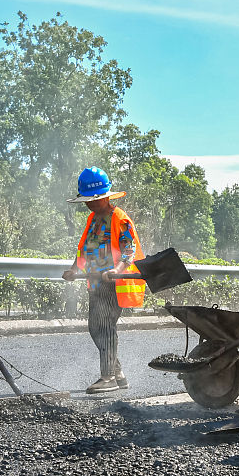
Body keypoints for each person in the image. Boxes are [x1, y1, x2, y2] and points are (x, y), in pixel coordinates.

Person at [61, 167, 147, 394]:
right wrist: (73, 269)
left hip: (114, 283)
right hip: (95, 282)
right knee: (95, 327)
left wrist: (116, 269)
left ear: (105, 196)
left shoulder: (120, 219)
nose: (89, 204)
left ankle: (108, 377)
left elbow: (129, 251)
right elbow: (84, 249)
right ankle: (117, 374)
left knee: (105, 326)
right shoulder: (93, 219)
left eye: (94, 200)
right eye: (87, 200)